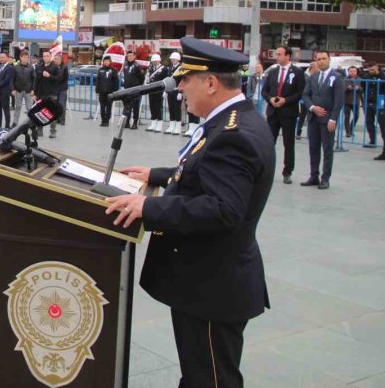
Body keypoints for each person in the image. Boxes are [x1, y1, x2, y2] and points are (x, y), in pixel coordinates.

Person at [105, 36, 274, 388]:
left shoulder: (233, 134)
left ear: (211, 82)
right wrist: (159, 175)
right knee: (200, 375)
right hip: (210, 279)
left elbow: (223, 208)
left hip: (212, 286)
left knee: (210, 379)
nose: (180, 86)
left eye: (187, 79)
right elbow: (207, 171)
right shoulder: (231, 120)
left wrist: (149, 207)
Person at [260, 45, 306, 185]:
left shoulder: (297, 72)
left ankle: (287, 171)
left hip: (288, 113)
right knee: (268, 143)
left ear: (288, 56)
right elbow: (265, 91)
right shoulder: (273, 72)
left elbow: (300, 92)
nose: (277, 57)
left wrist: (286, 100)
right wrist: (271, 99)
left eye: (279, 54)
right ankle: (265, 170)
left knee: (288, 143)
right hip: (273, 112)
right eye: (276, 54)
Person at [301, 50, 344, 190]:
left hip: (327, 119)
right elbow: (306, 95)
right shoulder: (313, 77)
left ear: (329, 59)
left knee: (327, 149)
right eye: (318, 59)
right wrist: (312, 107)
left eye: (324, 58)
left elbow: (338, 100)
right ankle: (314, 176)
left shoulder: (336, 77)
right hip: (313, 118)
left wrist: (333, 119)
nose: (321, 61)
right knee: (313, 148)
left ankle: (325, 178)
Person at [31, 50, 61, 139]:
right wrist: (35, 93)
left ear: (50, 56)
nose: (45, 57)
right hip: (41, 94)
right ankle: (40, 130)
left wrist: (49, 76)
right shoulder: (40, 67)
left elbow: (59, 79)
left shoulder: (55, 67)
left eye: (47, 56)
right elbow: (37, 81)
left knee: (52, 113)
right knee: (40, 113)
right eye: (44, 56)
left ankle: (53, 131)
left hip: (51, 94)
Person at [121, 51, 145, 130]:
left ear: (134, 56)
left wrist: (138, 86)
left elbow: (142, 77)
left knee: (135, 107)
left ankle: (135, 123)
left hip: (135, 89)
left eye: (131, 56)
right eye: (128, 56)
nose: (129, 57)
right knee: (127, 106)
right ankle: (127, 122)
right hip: (127, 89)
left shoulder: (137, 66)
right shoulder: (125, 65)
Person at [145, 54, 169, 132]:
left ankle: (159, 124)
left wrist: (165, 91)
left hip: (159, 90)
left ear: (159, 60)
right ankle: (153, 123)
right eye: (153, 61)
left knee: (158, 107)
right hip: (151, 90)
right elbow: (149, 79)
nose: (154, 62)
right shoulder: (151, 69)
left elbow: (165, 80)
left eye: (155, 60)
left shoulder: (164, 69)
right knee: (152, 107)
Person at [362, 62, 383, 146]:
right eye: (370, 70)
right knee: (369, 122)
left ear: (377, 68)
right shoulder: (366, 76)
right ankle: (372, 141)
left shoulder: (383, 77)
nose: (371, 71)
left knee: (382, 123)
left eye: (373, 70)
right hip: (368, 101)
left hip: (379, 103)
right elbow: (363, 86)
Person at [11, 51, 35, 126]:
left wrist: (33, 90)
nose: (25, 59)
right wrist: (13, 89)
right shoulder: (16, 67)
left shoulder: (31, 67)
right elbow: (12, 79)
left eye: (26, 57)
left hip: (28, 91)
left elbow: (34, 79)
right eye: (23, 57)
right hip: (18, 90)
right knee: (17, 107)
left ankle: (31, 123)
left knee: (29, 108)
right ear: (20, 58)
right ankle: (15, 122)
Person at [0, 51, 14, 131]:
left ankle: (7, 127)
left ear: (7, 58)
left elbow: (6, 80)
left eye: (3, 57)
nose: (1, 59)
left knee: (6, 110)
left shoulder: (10, 68)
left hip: (4, 92)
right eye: (0, 57)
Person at [95, 56, 119, 126]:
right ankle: (103, 120)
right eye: (105, 61)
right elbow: (98, 81)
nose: (106, 62)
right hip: (102, 92)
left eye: (108, 61)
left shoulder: (113, 70)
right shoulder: (100, 70)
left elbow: (116, 81)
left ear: (110, 62)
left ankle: (107, 121)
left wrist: (115, 90)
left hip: (110, 93)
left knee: (108, 107)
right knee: (102, 107)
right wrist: (97, 90)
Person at [164, 52, 183, 134]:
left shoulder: (181, 68)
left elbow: (182, 81)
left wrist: (180, 92)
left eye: (173, 59)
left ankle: (178, 127)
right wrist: (165, 91)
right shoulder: (170, 67)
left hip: (177, 90)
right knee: (171, 108)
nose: (172, 60)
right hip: (170, 91)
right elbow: (168, 80)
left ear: (178, 59)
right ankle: (171, 126)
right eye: (171, 59)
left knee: (177, 109)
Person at [343, 66, 362, 138]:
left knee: (356, 116)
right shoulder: (345, 79)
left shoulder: (360, 79)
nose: (353, 73)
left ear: (356, 72)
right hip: (346, 100)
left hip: (356, 101)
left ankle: (351, 128)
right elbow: (342, 89)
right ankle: (347, 132)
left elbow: (362, 89)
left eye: (354, 71)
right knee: (347, 117)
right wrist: (347, 88)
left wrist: (358, 88)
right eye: (351, 71)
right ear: (348, 71)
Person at [54, 54, 69, 126]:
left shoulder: (64, 67)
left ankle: (63, 119)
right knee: (55, 105)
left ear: (60, 60)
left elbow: (65, 78)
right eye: (54, 59)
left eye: (56, 59)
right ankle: (57, 119)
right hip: (55, 89)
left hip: (62, 89)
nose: (55, 60)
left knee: (62, 104)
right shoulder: (54, 67)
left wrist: (57, 80)